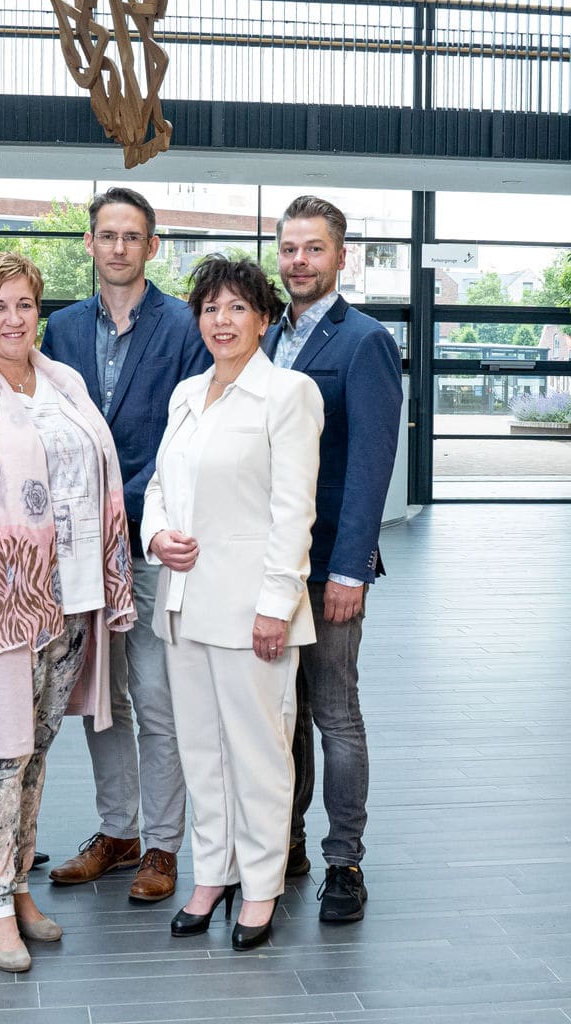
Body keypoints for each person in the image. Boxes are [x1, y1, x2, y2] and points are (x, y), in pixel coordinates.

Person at [0, 252, 136, 973]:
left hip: (71, 597)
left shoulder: (63, 381)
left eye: (25, 305)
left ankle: (15, 887)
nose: (14, 319)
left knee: (36, 751)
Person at [141, 254, 324, 950]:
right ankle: (211, 874)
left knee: (258, 754)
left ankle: (261, 887)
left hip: (253, 610)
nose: (222, 320)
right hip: (184, 603)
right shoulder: (187, 393)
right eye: (211, 308)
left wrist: (277, 604)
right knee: (200, 751)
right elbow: (159, 486)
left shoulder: (288, 394)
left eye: (238, 308)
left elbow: (292, 511)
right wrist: (157, 535)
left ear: (265, 319)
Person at [41, 187, 209, 903]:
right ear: (89, 243)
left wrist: (129, 503)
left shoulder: (183, 327)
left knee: (158, 696)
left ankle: (164, 847)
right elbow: (46, 424)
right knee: (100, 698)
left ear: (151, 246)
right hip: (80, 548)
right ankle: (119, 832)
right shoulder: (61, 330)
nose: (118, 247)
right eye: (106, 235)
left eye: (131, 236)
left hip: (148, 539)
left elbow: (188, 433)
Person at [263, 195, 403, 922]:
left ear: (341, 256)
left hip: (327, 570)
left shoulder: (364, 341)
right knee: (280, 716)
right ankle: (283, 846)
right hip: (269, 567)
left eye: (314, 249)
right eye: (289, 249)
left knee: (335, 715)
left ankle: (344, 861)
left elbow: (373, 462)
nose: (299, 263)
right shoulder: (264, 339)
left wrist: (350, 567)